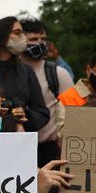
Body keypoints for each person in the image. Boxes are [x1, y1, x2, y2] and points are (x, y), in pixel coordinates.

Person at [19, 18, 74, 165]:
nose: (40, 43)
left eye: (43, 39)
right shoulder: (11, 73)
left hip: (50, 150)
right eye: (33, 39)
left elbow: (73, 115)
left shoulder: (58, 74)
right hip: (17, 148)